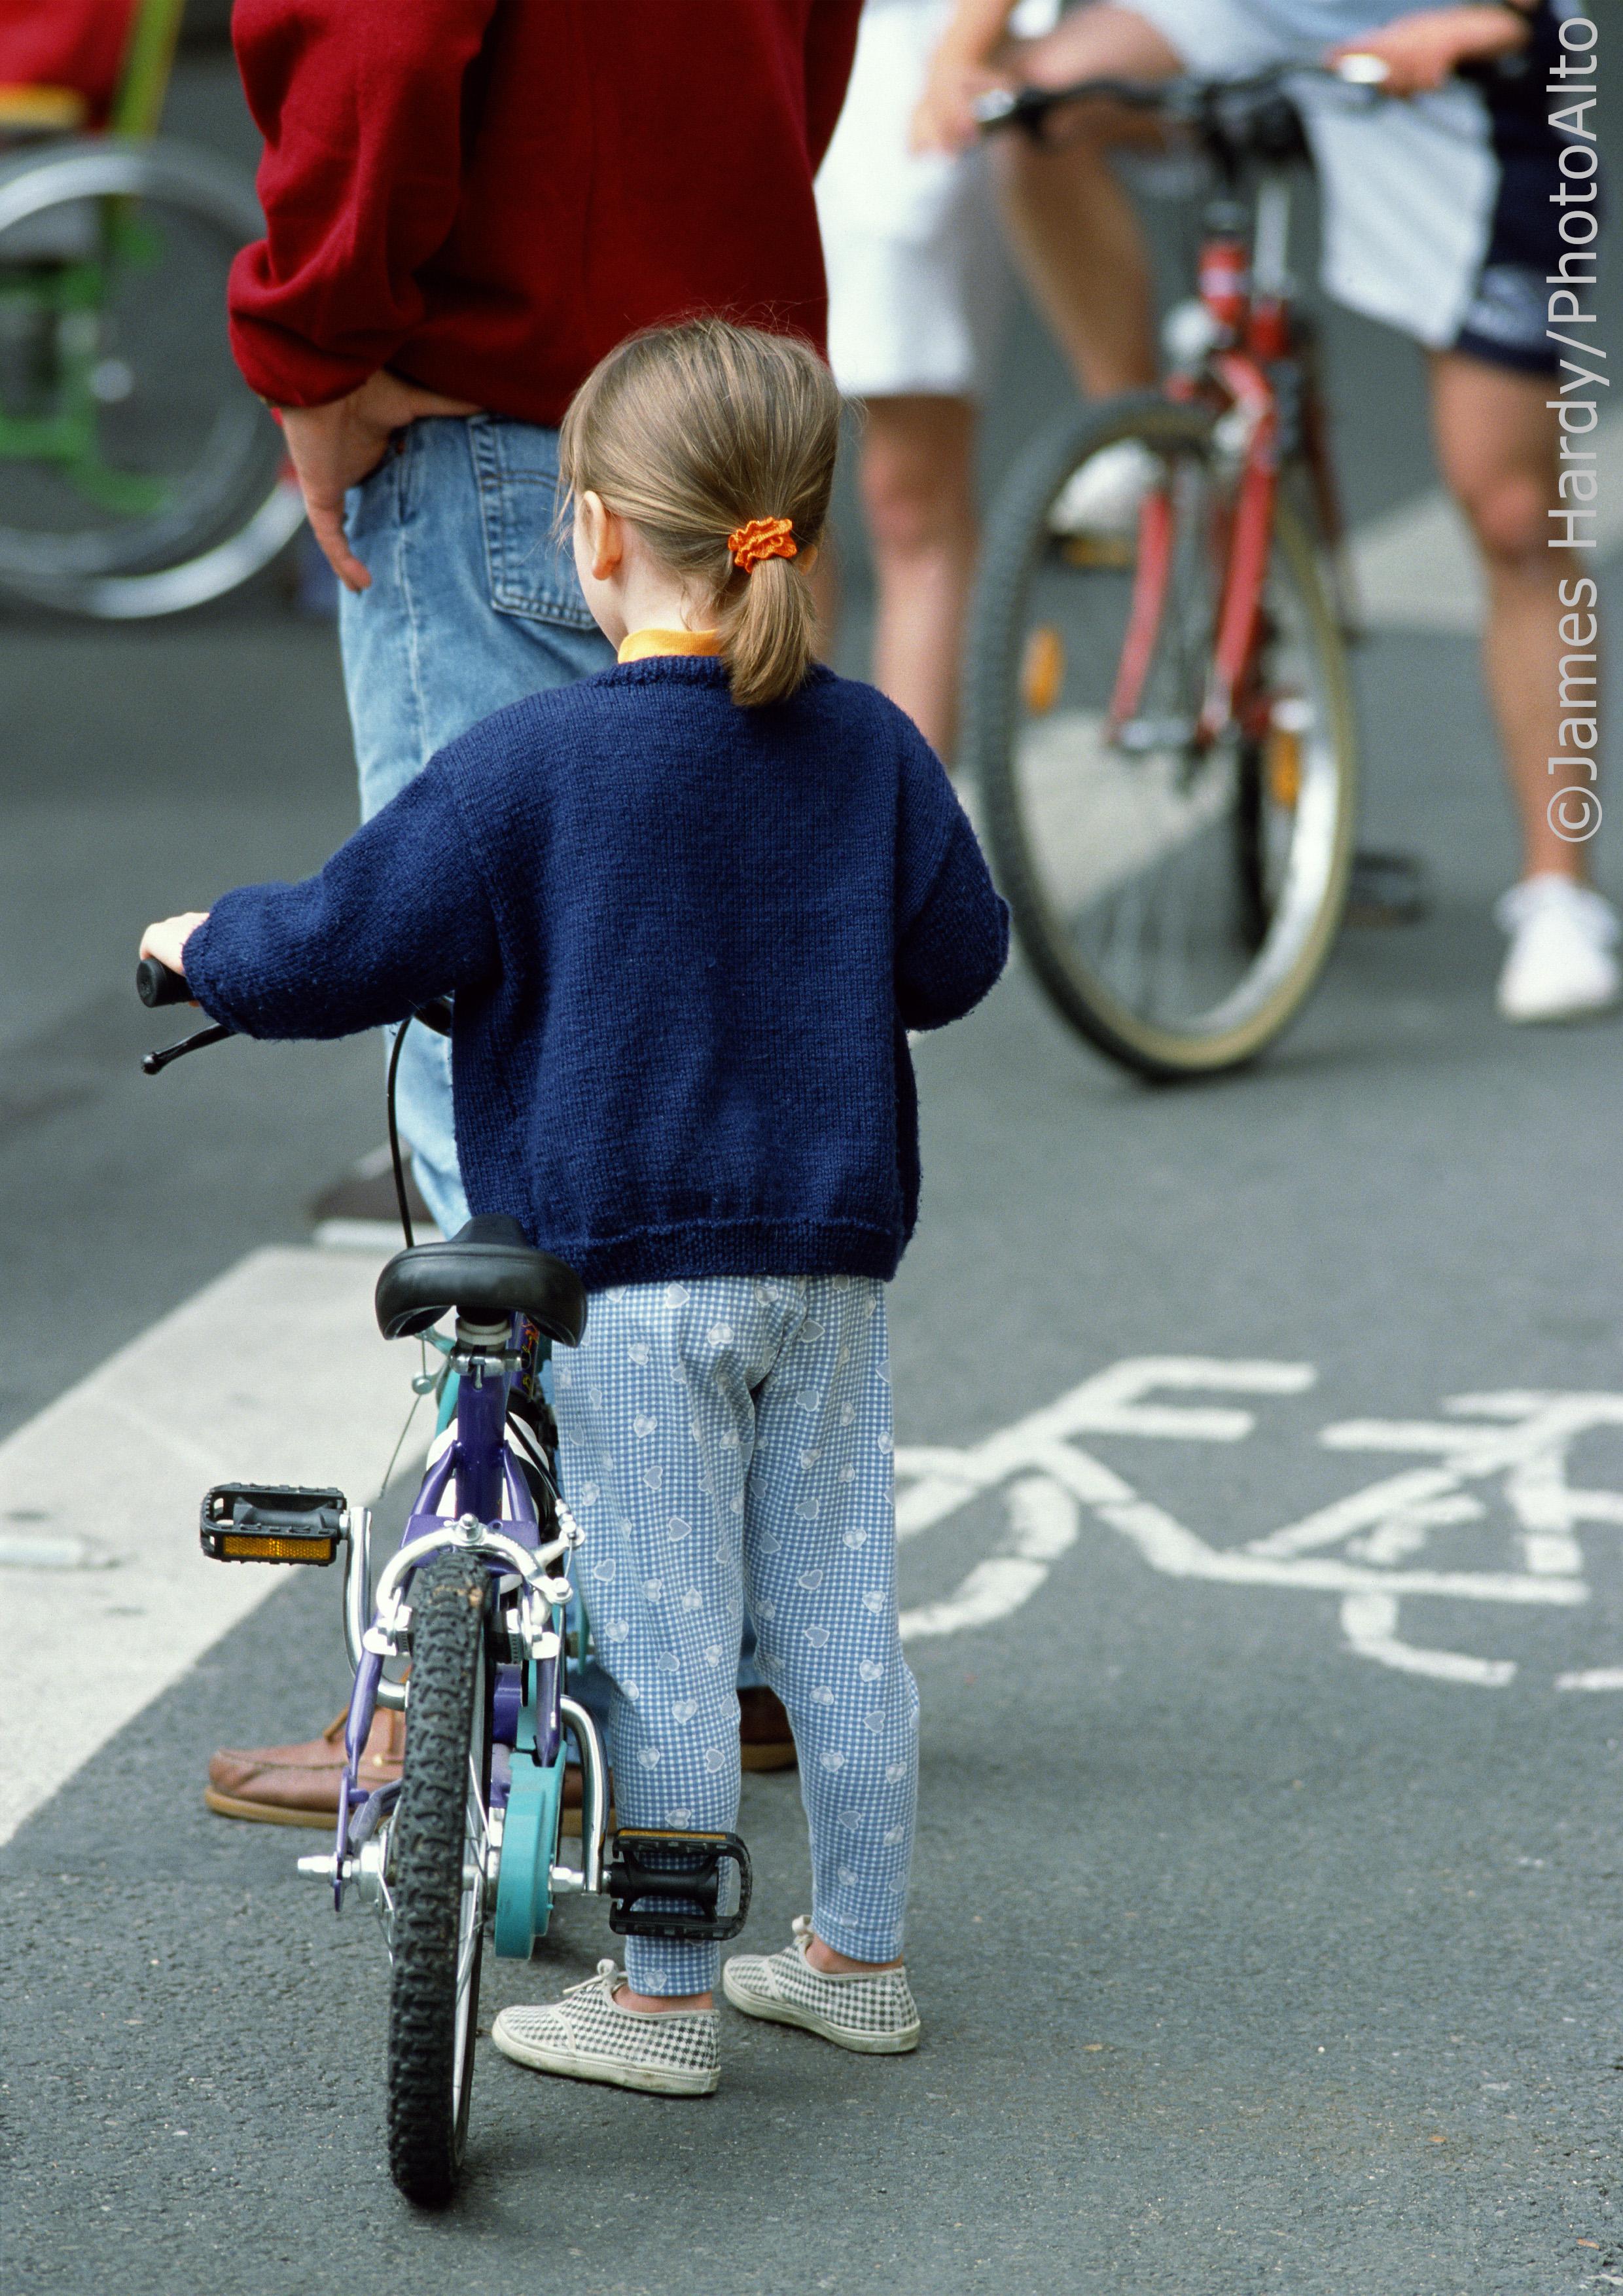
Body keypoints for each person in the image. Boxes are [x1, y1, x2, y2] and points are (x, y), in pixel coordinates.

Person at [142, 317, 1009, 2094]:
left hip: (623, 1281)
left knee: (670, 1639)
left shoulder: (532, 771)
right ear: (791, 528)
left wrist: (199, 947)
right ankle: (857, 1955)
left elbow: (339, 943)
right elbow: (960, 958)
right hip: (828, 1263)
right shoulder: (870, 750)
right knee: (842, 1623)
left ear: (592, 534)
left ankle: (671, 1989)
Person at [202, 0, 868, 1822]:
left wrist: (313, 341)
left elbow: (376, 40)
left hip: (506, 414)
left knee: (487, 1055)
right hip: (717, 429)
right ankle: (721, 1655)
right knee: (705, 1037)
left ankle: (483, 1671)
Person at [910, 0, 1618, 1024]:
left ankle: (1560, 893)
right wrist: (961, 55)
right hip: (1245, 13)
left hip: (1446, 46)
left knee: (1513, 510)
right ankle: (1147, 436)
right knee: (1041, 110)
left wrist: (1485, 22)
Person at [813, 0, 1158, 759]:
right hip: (744, 58)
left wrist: (956, 53)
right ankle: (776, 821)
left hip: (904, 53)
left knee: (907, 495)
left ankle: (901, 842)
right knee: (760, 489)